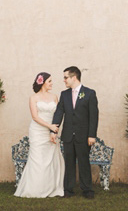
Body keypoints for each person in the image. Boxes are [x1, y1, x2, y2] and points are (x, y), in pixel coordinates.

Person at [13, 72, 64, 198]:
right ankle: (34, 189)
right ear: (42, 82)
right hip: (38, 131)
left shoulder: (54, 97)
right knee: (38, 159)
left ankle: (51, 188)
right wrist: (49, 126)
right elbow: (35, 117)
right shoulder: (33, 98)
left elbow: (58, 115)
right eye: (50, 81)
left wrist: (54, 131)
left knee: (51, 159)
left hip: (51, 130)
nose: (52, 83)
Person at [51, 66, 99, 199]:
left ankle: (87, 190)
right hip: (67, 135)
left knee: (84, 162)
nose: (64, 80)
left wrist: (92, 135)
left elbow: (93, 116)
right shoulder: (64, 94)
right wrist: (53, 130)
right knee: (69, 162)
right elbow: (59, 112)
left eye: (66, 77)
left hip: (83, 136)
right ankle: (68, 189)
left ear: (74, 78)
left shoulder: (89, 93)